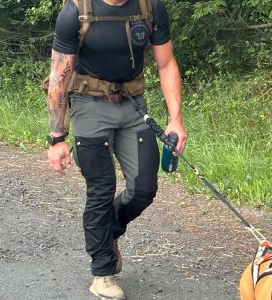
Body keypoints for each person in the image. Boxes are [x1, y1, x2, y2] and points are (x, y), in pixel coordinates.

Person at [46, 0, 186, 299]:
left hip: (132, 104)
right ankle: (103, 273)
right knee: (101, 189)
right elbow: (59, 76)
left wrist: (176, 120)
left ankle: (107, 234)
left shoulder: (150, 8)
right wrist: (57, 137)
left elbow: (166, 63)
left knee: (144, 188)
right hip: (88, 105)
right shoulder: (75, 11)